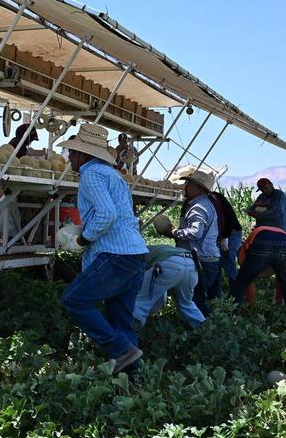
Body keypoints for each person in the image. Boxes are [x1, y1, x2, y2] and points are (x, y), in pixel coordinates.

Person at [58, 122, 148, 374]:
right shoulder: (113, 175)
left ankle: (121, 350)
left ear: (84, 154)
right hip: (135, 254)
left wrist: (83, 239)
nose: (70, 158)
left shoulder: (92, 174)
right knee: (121, 318)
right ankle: (135, 378)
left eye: (73, 153)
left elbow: (106, 214)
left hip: (115, 255)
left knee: (74, 300)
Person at [158, 169, 221, 316]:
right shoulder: (204, 204)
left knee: (195, 301)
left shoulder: (198, 206)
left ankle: (206, 328)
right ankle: (209, 326)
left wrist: (173, 232)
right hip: (208, 259)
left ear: (198, 188)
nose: (185, 186)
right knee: (195, 299)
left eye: (188, 183)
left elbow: (195, 232)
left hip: (201, 261)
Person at [230, 224, 286, 323]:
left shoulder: (250, 239)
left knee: (241, 282)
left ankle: (230, 314)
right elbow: (280, 279)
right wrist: (278, 300)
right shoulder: (281, 231)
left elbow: (244, 267)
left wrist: (251, 303)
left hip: (264, 242)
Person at [134, 245, 205, 329]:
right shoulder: (157, 248)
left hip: (169, 262)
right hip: (192, 264)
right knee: (186, 303)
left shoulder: (136, 253)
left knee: (141, 301)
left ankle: (134, 331)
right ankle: (204, 330)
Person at [209, 188, 244, 291]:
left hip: (231, 232)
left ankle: (236, 293)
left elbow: (230, 219)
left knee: (228, 261)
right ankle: (216, 293)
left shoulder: (214, 198)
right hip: (223, 233)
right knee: (217, 261)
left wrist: (225, 237)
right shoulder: (208, 199)